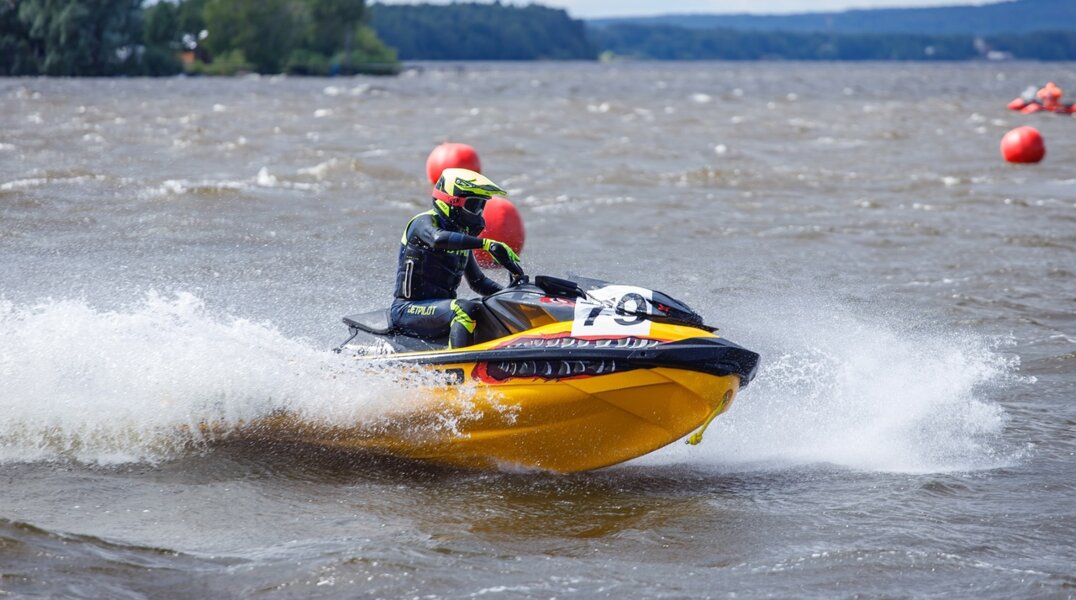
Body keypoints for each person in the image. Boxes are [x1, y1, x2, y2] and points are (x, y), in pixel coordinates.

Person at [391, 168, 523, 349]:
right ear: (451, 202)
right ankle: (456, 370)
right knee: (464, 309)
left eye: (481, 206)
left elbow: (478, 282)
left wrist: (511, 295)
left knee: (485, 308)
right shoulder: (423, 223)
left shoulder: (459, 238)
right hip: (407, 309)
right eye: (474, 205)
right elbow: (438, 238)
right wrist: (486, 244)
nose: (478, 213)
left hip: (437, 310)